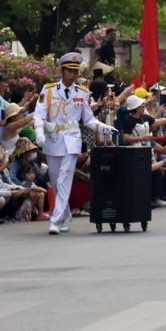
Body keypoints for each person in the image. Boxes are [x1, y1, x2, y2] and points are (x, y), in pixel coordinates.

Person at [33, 52, 116, 235]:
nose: (73, 74)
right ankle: (65, 213)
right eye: (69, 71)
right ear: (62, 71)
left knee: (64, 178)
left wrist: (105, 129)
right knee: (56, 180)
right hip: (53, 138)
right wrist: (39, 132)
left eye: (75, 71)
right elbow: (39, 114)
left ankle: (55, 219)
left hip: (72, 139)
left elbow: (88, 120)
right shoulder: (48, 90)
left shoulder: (83, 93)